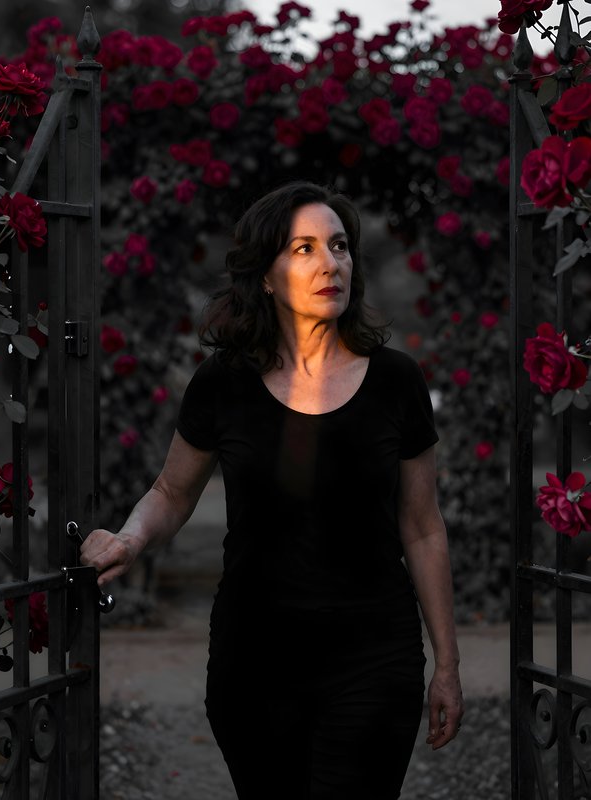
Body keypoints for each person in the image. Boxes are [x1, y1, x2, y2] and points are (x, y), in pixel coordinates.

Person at [81, 181, 464, 799]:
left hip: (374, 656)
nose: (330, 263)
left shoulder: (397, 381)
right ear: (265, 274)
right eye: (305, 248)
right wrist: (130, 538)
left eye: (338, 247)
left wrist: (447, 664)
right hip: (253, 661)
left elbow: (422, 526)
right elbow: (172, 492)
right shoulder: (222, 382)